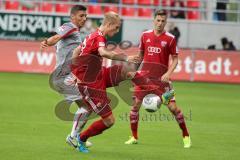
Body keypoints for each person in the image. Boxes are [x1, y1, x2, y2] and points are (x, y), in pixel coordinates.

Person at [71, 11, 175, 153]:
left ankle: (161, 96)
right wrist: (125, 58)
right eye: (116, 27)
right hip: (90, 84)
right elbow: (103, 52)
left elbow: (76, 52)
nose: (117, 30)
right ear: (109, 24)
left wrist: (74, 72)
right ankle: (81, 139)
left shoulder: (92, 35)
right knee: (109, 121)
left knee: (129, 72)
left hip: (99, 74)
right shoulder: (99, 37)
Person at [124, 10, 191, 148]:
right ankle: (134, 137)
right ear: (154, 20)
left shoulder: (170, 38)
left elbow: (175, 59)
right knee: (135, 106)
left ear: (166, 22)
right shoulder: (145, 35)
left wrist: (168, 73)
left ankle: (186, 135)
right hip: (144, 78)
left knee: (173, 108)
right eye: (158, 20)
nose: (160, 23)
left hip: (162, 80)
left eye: (163, 21)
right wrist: (134, 72)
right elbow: (140, 56)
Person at [40, 5, 92, 148]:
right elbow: (57, 37)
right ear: (73, 17)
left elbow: (60, 42)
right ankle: (73, 137)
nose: (84, 18)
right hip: (62, 77)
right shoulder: (71, 27)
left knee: (88, 105)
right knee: (88, 106)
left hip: (66, 76)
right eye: (81, 16)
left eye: (85, 16)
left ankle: (76, 136)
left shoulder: (75, 32)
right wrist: (47, 42)